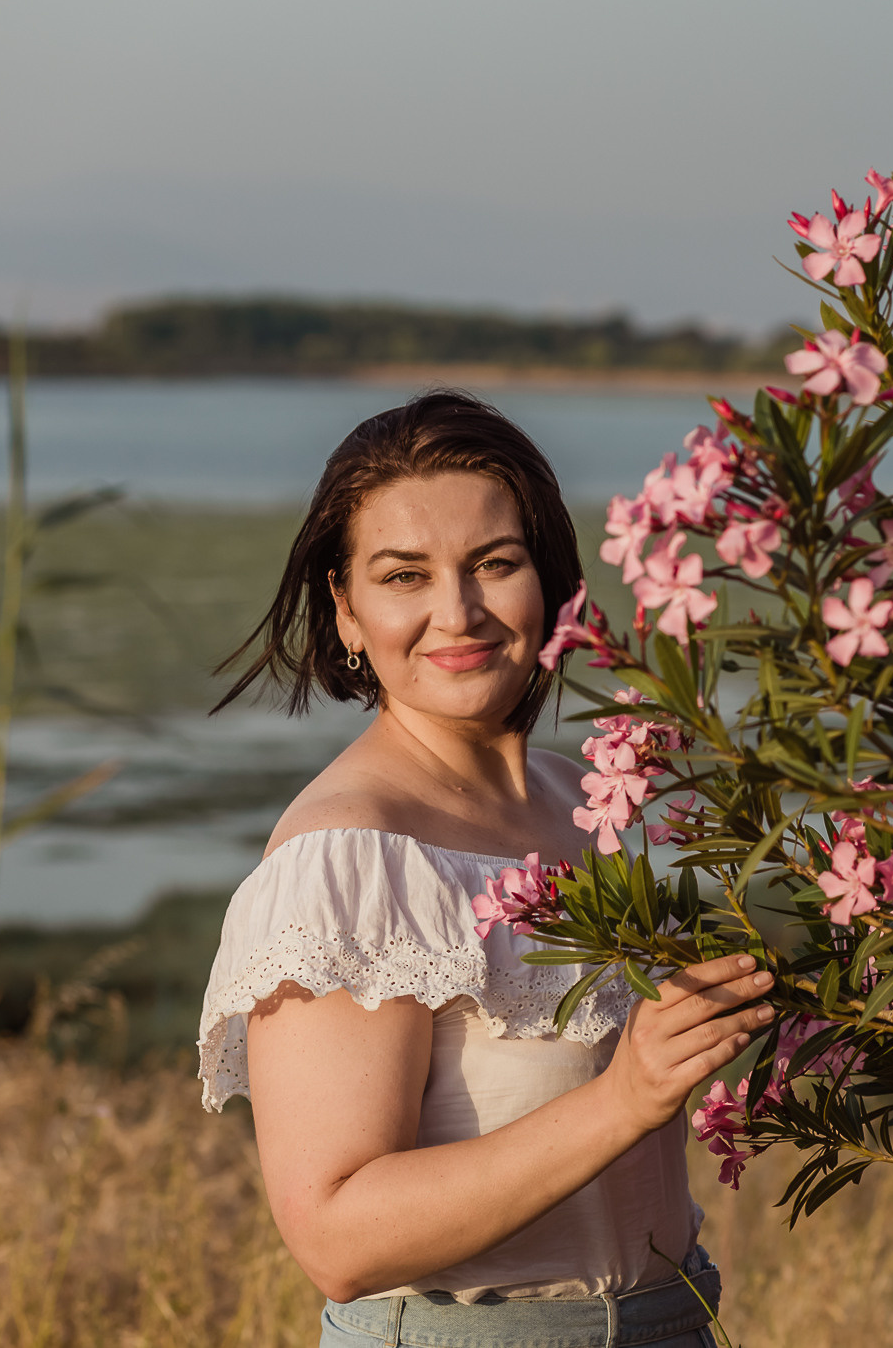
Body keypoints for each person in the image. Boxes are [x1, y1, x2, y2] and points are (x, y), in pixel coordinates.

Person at [197, 391, 771, 1348]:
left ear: (548, 577)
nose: (456, 613)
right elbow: (337, 1234)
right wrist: (623, 1098)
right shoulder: (348, 855)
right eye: (403, 576)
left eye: (493, 564)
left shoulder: (589, 798)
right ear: (346, 609)